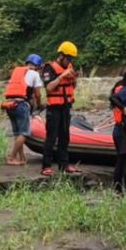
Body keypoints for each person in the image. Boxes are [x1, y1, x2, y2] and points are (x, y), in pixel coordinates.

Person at [40, 41, 79, 177]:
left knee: (65, 136)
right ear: (61, 56)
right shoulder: (49, 68)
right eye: (68, 58)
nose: (70, 61)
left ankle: (64, 165)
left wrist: (73, 78)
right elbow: (49, 87)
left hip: (66, 106)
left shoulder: (69, 67)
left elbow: (73, 87)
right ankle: (46, 165)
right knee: (51, 136)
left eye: (72, 59)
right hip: (54, 108)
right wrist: (62, 76)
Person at [0, 54, 45, 165]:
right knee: (24, 133)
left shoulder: (17, 71)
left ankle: (21, 158)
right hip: (21, 104)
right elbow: (38, 94)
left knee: (18, 133)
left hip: (9, 104)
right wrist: (39, 105)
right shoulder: (34, 74)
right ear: (38, 66)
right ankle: (11, 158)